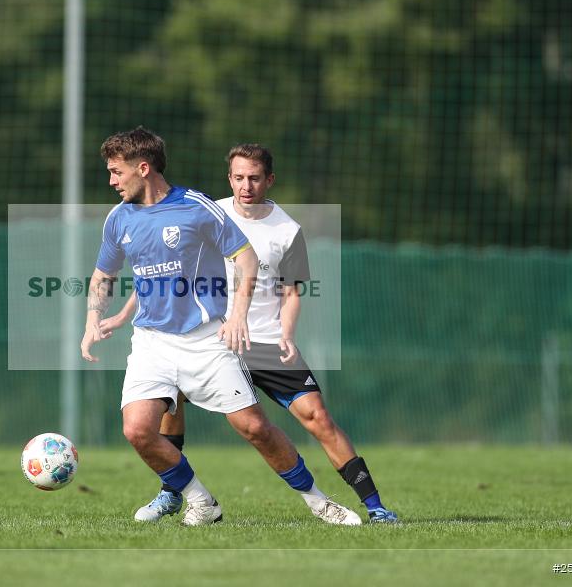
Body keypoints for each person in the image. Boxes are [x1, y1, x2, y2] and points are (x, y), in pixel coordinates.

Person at [101, 143, 398, 523]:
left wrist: (287, 335)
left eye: (254, 178)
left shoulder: (287, 230)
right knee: (167, 401)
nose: (246, 185)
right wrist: (126, 314)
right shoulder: (208, 210)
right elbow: (161, 276)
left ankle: (374, 505)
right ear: (230, 179)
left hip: (264, 340)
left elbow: (291, 294)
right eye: (239, 177)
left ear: (269, 180)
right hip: (211, 336)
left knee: (316, 417)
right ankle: (173, 494)